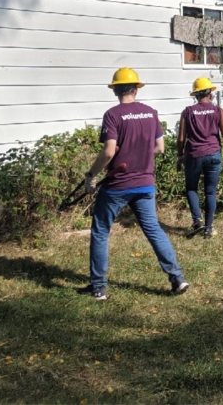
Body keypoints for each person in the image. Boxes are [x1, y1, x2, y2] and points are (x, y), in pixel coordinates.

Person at [79, 68, 189, 301]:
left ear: (115, 90)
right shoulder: (150, 113)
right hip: (145, 183)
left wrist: (90, 175)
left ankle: (98, 287)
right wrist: (139, 154)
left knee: (100, 232)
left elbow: (109, 152)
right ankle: (177, 278)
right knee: (153, 230)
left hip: (117, 185)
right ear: (136, 88)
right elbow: (160, 148)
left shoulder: (112, 114)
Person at [176, 77, 223, 239]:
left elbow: (181, 138)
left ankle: (197, 221)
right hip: (213, 154)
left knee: (191, 188)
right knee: (210, 192)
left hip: (194, 155)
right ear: (210, 94)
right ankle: (209, 228)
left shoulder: (187, 112)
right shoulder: (218, 111)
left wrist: (179, 156)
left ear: (195, 95)